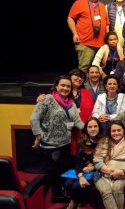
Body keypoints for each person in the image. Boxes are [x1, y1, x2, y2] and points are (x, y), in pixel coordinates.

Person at [30, 75, 84, 203]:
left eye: (68, 86)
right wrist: (38, 135)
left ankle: (61, 192)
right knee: (53, 172)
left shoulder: (71, 103)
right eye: (63, 85)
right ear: (56, 86)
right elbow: (34, 118)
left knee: (63, 169)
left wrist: (91, 131)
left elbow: (77, 121)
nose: (65, 88)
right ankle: (56, 196)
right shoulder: (47, 99)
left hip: (66, 143)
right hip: (51, 145)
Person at [93, 120, 125, 209]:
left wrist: (121, 172)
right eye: (113, 131)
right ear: (109, 132)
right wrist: (110, 171)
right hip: (102, 175)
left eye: (119, 130)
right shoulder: (103, 142)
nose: (116, 133)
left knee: (117, 188)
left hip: (123, 176)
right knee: (105, 190)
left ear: (123, 131)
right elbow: (97, 162)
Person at [64, 117, 104, 209]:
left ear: (99, 127)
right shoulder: (82, 140)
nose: (93, 129)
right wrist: (80, 176)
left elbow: (106, 160)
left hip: (98, 170)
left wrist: (93, 167)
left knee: (75, 186)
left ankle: (80, 202)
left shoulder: (104, 141)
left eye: (95, 126)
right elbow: (78, 161)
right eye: (90, 127)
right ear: (86, 129)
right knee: (67, 183)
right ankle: (74, 200)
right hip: (83, 170)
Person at [67, 0, 109, 72]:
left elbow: (107, 23)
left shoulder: (102, 6)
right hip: (85, 43)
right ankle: (83, 86)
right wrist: (74, 33)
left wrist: (107, 40)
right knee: (84, 69)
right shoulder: (79, 3)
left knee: (98, 70)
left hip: (101, 44)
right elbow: (70, 18)